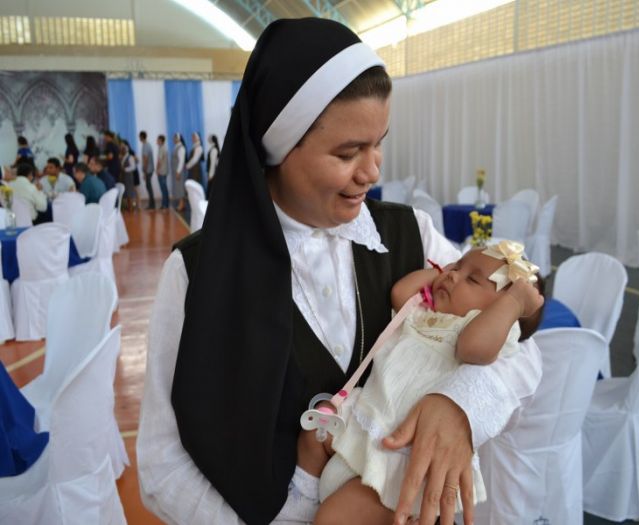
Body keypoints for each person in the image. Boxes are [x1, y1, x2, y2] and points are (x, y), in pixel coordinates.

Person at [137, 18, 542, 525]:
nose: (372, 171)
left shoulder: (410, 236)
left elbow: (525, 348)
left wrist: (459, 405)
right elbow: (161, 466)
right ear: (279, 147)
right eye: (348, 153)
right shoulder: (197, 274)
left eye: (379, 143)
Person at [309, 243, 544, 523]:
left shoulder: (477, 332)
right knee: (314, 432)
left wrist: (514, 302)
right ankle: (299, 499)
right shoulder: (425, 311)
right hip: (365, 422)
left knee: (333, 517)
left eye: (472, 279)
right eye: (456, 266)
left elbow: (474, 348)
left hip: (399, 458)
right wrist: (443, 273)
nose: (453, 274)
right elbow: (399, 293)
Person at [120, 140, 138, 211]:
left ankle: (131, 207)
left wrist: (125, 169)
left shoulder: (130, 157)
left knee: (130, 192)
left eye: (123, 149)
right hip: (125, 176)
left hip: (129, 176)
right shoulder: (123, 157)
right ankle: (129, 207)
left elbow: (133, 167)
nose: (122, 151)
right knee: (127, 192)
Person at [140, 131, 156, 210]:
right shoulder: (147, 145)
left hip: (148, 169)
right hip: (150, 169)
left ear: (142, 137)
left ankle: (152, 205)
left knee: (148, 187)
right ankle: (152, 204)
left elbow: (145, 159)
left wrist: (144, 171)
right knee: (148, 186)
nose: (139, 138)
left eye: (139, 137)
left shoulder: (145, 146)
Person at [171, 133, 186, 212]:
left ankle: (181, 204)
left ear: (178, 139)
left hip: (178, 171)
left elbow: (181, 161)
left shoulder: (181, 148)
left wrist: (178, 172)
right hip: (176, 171)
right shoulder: (176, 147)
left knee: (180, 188)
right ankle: (181, 203)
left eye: (174, 138)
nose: (173, 139)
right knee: (178, 187)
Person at [155, 134, 170, 210]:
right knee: (164, 188)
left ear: (161, 140)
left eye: (158, 140)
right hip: (164, 171)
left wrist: (157, 169)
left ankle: (165, 205)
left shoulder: (161, 149)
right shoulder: (163, 148)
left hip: (161, 171)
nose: (157, 141)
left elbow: (159, 161)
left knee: (163, 188)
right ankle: (165, 204)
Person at [206, 134, 220, 198]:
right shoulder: (213, 149)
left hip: (213, 174)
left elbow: (213, 164)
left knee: (211, 190)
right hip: (213, 173)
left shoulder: (214, 150)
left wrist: (211, 175)